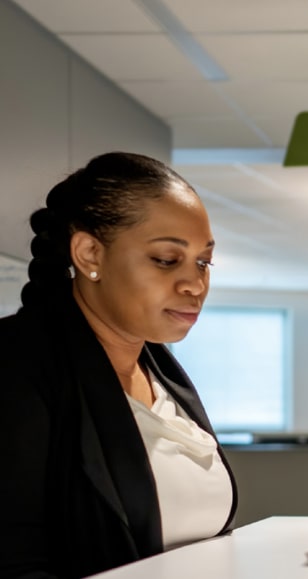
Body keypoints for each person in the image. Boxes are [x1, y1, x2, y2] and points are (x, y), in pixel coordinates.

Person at [0, 152, 237, 578]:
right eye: (166, 259)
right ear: (90, 254)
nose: (196, 284)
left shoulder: (160, 370)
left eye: (204, 262)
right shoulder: (17, 365)